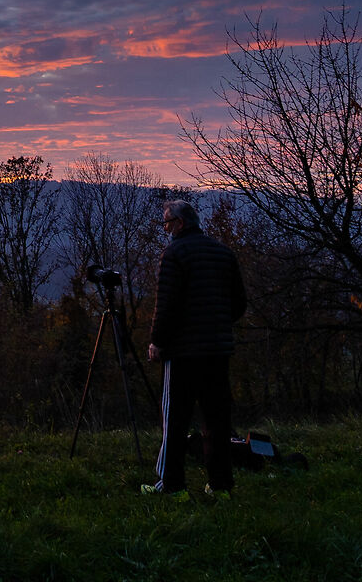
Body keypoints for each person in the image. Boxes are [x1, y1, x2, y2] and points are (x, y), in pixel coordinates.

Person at [141, 195, 247, 499]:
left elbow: (166, 305)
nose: (165, 229)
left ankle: (172, 487)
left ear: (180, 223)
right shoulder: (223, 253)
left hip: (184, 354)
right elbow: (239, 303)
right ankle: (220, 486)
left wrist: (157, 342)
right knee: (217, 420)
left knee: (174, 420)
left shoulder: (174, 254)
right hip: (217, 351)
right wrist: (217, 325)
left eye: (166, 223)